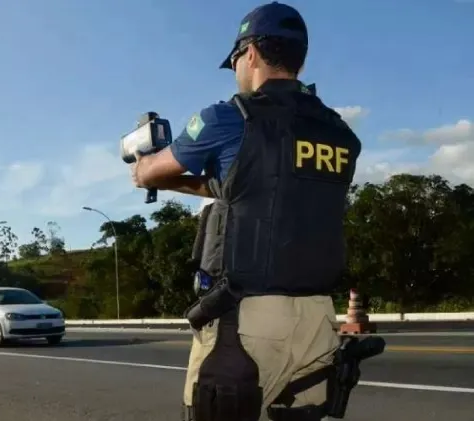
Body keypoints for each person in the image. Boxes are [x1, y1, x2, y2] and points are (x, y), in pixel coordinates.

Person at [130, 2, 362, 420]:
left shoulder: (227, 118)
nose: (236, 68)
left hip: (245, 321)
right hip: (316, 319)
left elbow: (151, 171)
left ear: (250, 53)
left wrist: (143, 166)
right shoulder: (340, 134)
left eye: (235, 59)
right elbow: (249, 186)